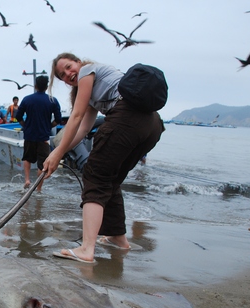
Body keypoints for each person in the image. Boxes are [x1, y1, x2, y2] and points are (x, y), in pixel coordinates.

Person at [43, 53, 164, 263]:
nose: (68, 74)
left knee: (95, 175)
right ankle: (118, 238)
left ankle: (86, 249)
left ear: (78, 62)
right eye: (62, 75)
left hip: (126, 117)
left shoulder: (87, 71)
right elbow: (83, 128)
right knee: (111, 179)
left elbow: (76, 117)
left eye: (69, 67)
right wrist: (58, 152)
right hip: (152, 124)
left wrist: (58, 152)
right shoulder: (92, 89)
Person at [16, 76, 61, 192]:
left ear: (35, 86)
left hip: (29, 135)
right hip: (43, 136)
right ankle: (39, 189)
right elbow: (58, 119)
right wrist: (49, 126)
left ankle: (27, 180)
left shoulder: (27, 99)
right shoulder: (52, 100)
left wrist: (25, 125)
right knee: (43, 164)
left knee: (27, 158)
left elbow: (18, 116)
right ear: (47, 86)